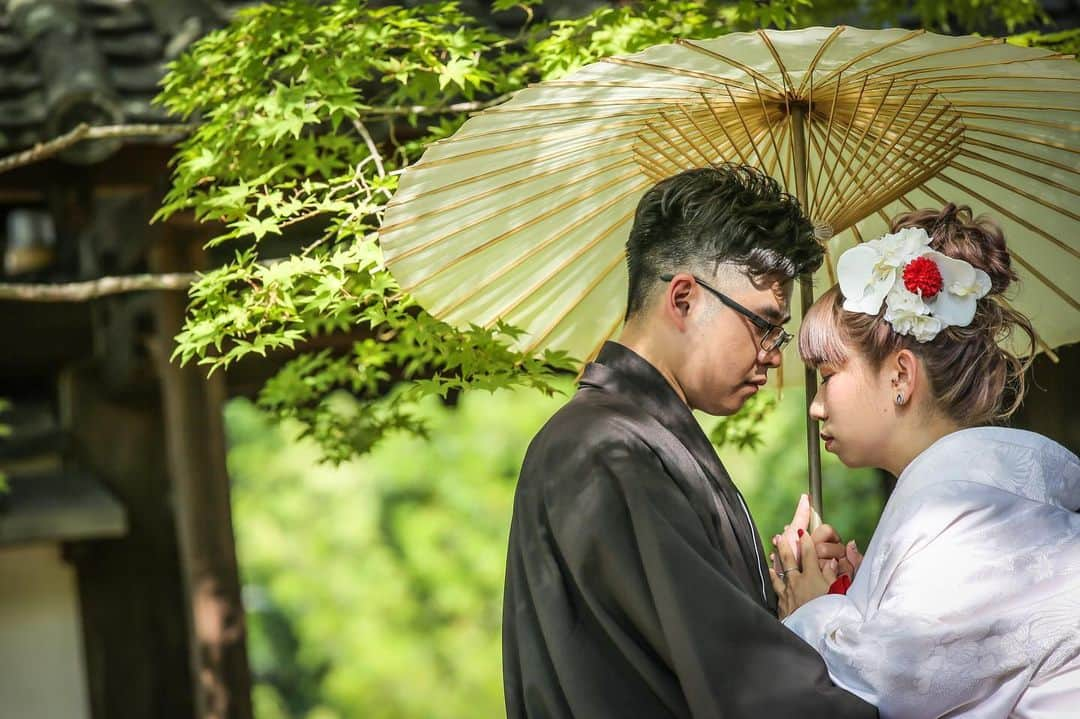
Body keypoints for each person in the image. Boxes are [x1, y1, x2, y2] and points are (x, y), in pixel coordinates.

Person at [502, 164, 877, 718]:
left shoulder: (629, 434)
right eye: (764, 325)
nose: (774, 355)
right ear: (683, 299)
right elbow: (741, 683)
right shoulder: (609, 448)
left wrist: (785, 600)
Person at [770, 204, 1080, 718]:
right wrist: (862, 598)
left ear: (900, 377)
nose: (815, 405)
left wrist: (811, 610)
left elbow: (872, 690)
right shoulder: (974, 507)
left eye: (827, 374)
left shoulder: (972, 520)